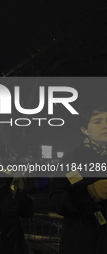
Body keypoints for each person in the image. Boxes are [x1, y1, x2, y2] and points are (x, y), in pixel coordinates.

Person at [50, 102, 107, 254]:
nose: (105, 126)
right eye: (97, 121)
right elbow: (58, 201)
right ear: (85, 130)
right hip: (84, 244)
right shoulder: (72, 160)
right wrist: (91, 193)